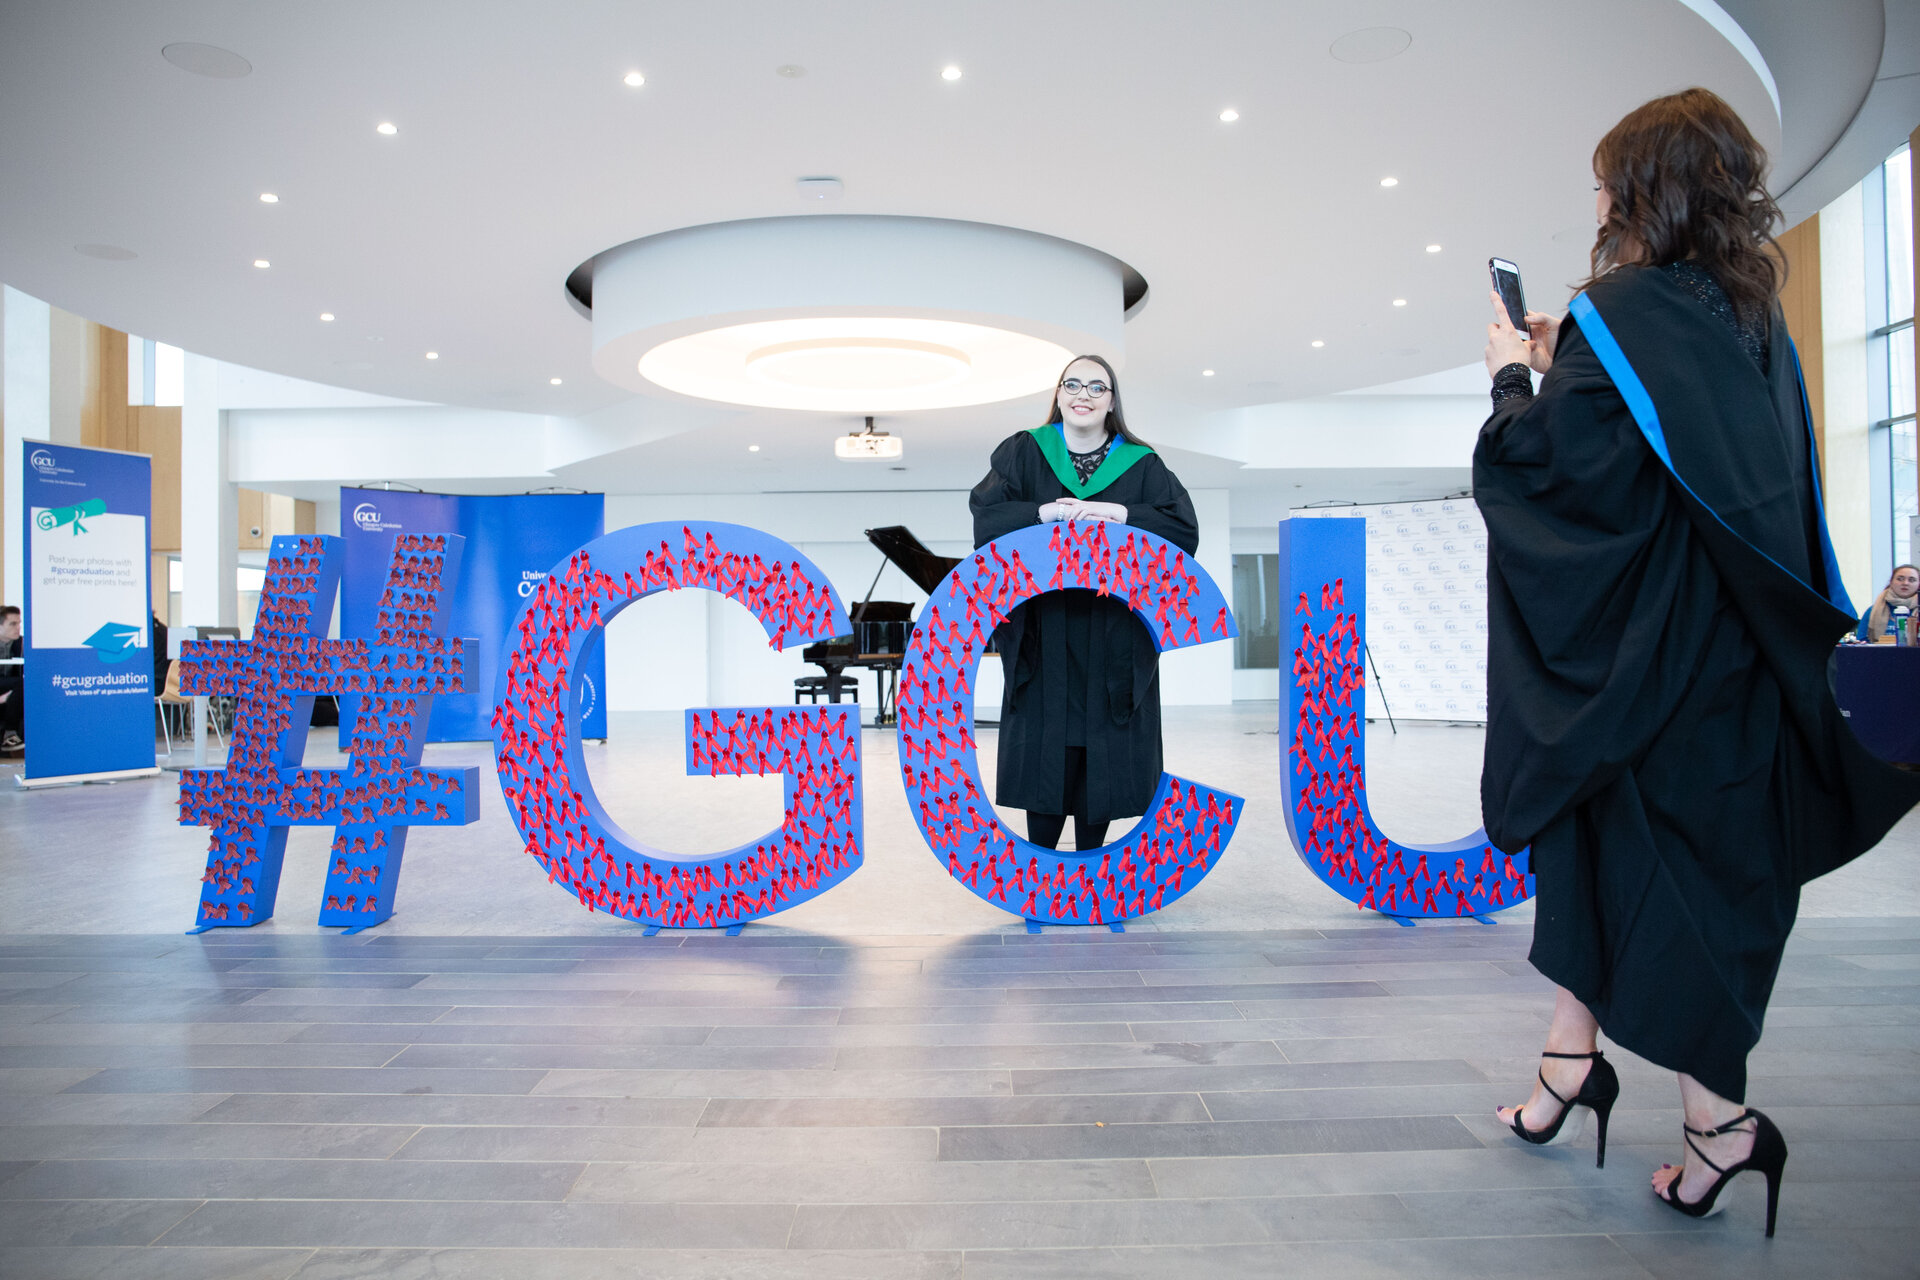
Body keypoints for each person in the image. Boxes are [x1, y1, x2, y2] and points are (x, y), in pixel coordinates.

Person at [1472, 87, 1920, 1236]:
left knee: (1651, 877)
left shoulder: (1616, 312)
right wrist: (1573, 363)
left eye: (1613, 185)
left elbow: (1551, 474)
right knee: (1640, 861)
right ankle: (1574, 1063)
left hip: (1651, 676)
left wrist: (1513, 375)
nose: (1606, 204)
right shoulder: (1754, 320)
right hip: (1739, 666)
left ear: (1645, 190)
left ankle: (1721, 1124)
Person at [970, 355, 1198, 852]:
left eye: (1098, 387)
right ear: (1058, 394)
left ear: (1112, 401)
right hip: (1042, 627)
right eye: (1072, 384)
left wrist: (1115, 512)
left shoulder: (1143, 464)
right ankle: (1043, 867)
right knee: (1044, 741)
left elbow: (1182, 530)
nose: (1084, 394)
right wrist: (1043, 512)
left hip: (1112, 628)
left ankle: (1093, 866)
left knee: (1105, 741)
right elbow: (986, 518)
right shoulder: (1025, 452)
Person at [1857, 564, 1920, 642]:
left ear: (1919, 584)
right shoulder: (1873, 610)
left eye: (1912, 580)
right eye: (1900, 579)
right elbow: (1861, 640)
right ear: (1891, 582)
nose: (1905, 583)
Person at [0, 605, 21, 753]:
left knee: (26, 685)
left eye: (19, 623)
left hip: (11, 688)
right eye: (12, 624)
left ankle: (10, 734)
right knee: (22, 683)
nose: (18, 628)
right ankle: (10, 732)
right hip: (8, 685)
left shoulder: (21, 644)